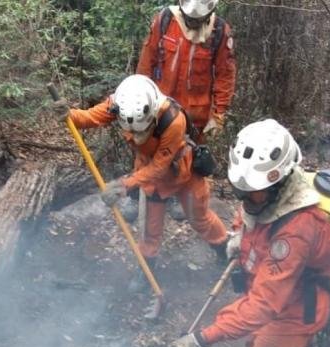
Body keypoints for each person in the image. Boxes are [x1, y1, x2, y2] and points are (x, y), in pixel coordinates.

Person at [169, 119, 330, 347]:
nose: (247, 199)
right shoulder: (264, 198)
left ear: (279, 182)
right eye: (242, 191)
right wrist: (237, 237)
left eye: (255, 193)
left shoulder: (298, 229)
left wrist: (203, 338)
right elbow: (248, 217)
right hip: (277, 300)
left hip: (291, 315)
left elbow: (263, 305)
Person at [66, 74, 229, 292]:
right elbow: (88, 118)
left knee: (200, 218)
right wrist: (69, 114)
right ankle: (147, 271)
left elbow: (160, 166)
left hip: (182, 171)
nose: (136, 134)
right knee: (150, 227)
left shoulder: (173, 120)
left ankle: (223, 249)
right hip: (149, 174)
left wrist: (125, 185)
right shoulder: (120, 104)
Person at [133, 0, 236, 221]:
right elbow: (146, 62)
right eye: (190, 19)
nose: (193, 23)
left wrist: (218, 114)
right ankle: (147, 201)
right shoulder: (165, 20)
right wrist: (139, 96)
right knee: (151, 158)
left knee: (189, 165)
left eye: (197, 20)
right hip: (160, 112)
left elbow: (225, 76)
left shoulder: (219, 32)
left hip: (195, 118)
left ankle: (190, 206)